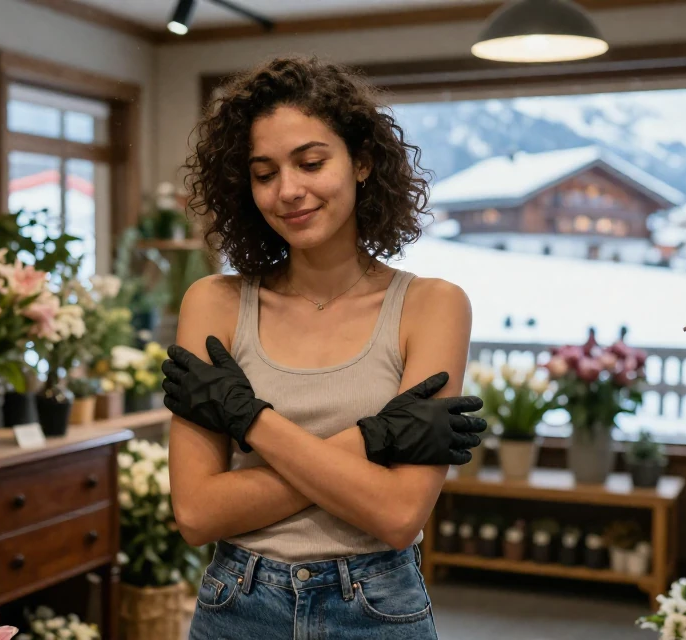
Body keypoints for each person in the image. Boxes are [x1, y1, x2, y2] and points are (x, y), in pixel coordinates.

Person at [160, 56, 487, 639]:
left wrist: (248, 420)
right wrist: (371, 440)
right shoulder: (214, 302)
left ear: (361, 162)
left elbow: (395, 515)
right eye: (264, 174)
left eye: (311, 162)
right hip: (237, 603)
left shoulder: (432, 306)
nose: (289, 191)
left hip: (378, 605)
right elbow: (197, 513)